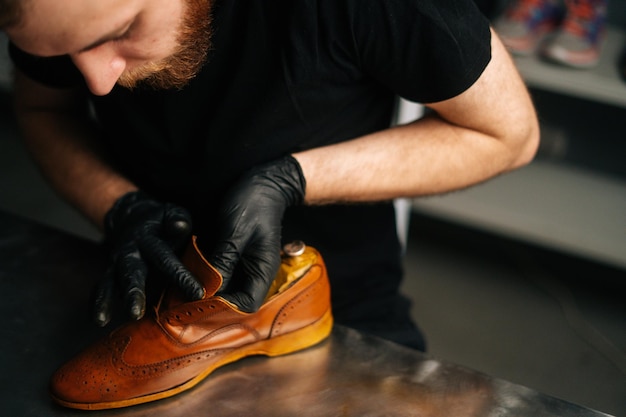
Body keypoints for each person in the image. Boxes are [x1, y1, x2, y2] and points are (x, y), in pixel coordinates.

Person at [1, 0, 539, 351]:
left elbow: (507, 136)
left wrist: (291, 180)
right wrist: (118, 205)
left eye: (120, 33)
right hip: (150, 296)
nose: (96, 82)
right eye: (66, 55)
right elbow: (45, 111)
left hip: (336, 304)